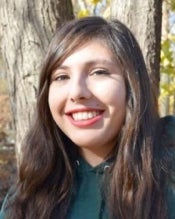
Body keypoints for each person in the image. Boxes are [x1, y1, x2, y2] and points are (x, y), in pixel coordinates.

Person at [0, 16, 175, 219]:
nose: (76, 92)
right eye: (61, 77)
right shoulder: (27, 196)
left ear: (132, 84)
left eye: (98, 72)